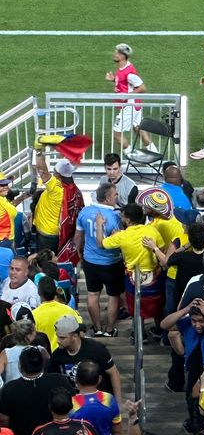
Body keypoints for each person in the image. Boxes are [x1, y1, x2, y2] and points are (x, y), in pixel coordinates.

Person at [75, 183, 125, 337]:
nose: (117, 196)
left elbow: (78, 237)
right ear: (108, 198)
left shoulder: (84, 212)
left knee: (92, 294)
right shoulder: (115, 216)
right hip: (112, 262)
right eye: (115, 194)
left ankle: (97, 328)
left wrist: (79, 253)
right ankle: (109, 330)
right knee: (113, 296)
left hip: (90, 261)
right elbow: (121, 240)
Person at [0, 345, 75, 435]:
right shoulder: (59, 380)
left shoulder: (9, 389)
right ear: (43, 364)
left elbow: (4, 420)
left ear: (20, 366)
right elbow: (74, 405)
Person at [49, 315, 123, 397]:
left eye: (62, 338)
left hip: (99, 399)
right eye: (58, 337)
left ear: (74, 336)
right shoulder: (56, 356)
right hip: (74, 401)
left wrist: (118, 401)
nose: (58, 341)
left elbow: (114, 373)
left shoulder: (96, 349)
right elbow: (52, 380)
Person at [105, 43, 155, 151]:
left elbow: (142, 88)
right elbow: (126, 83)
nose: (114, 54)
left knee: (117, 135)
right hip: (134, 105)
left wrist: (127, 96)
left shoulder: (129, 72)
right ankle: (155, 154)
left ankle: (132, 156)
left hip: (129, 106)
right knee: (138, 130)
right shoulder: (123, 68)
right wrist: (114, 79)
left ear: (122, 56)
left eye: (116, 53)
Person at [33, 152, 84, 254]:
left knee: (45, 260)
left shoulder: (56, 188)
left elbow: (42, 171)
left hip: (47, 234)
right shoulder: (74, 189)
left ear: (58, 175)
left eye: (54, 171)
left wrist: (38, 152)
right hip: (59, 233)